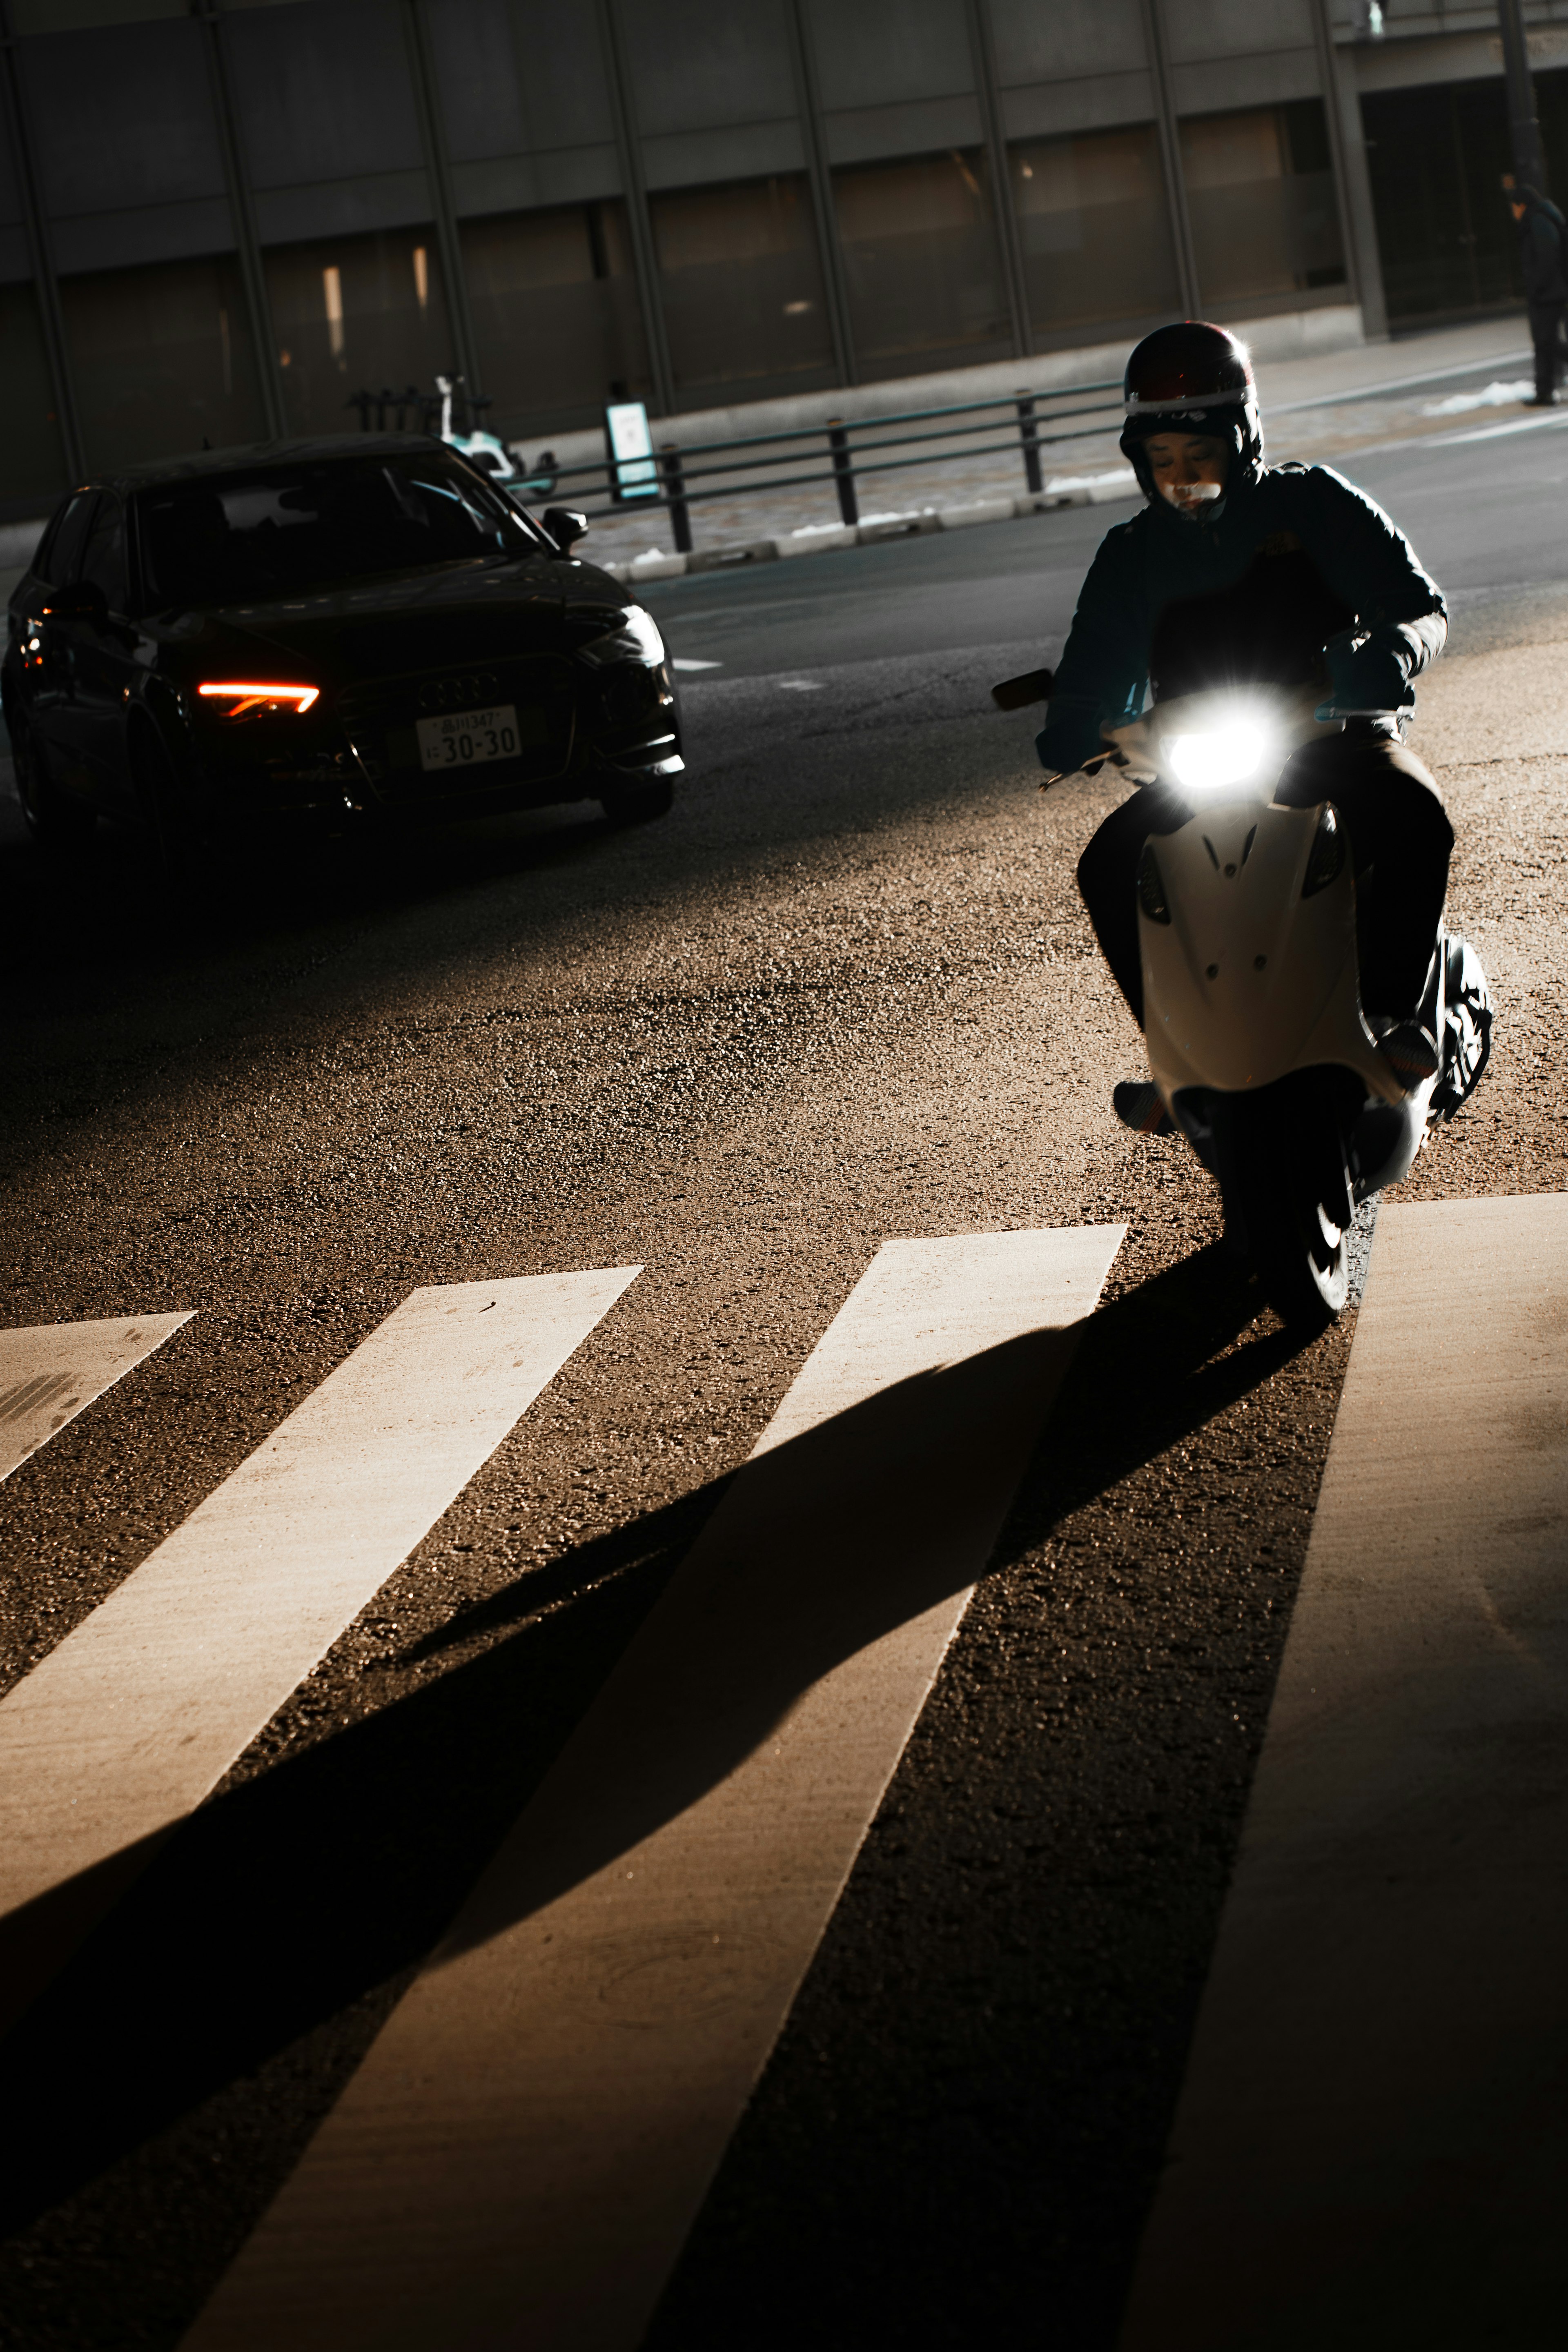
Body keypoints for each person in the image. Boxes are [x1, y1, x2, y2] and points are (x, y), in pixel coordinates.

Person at [1038, 320, 1454, 1125]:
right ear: (1139, 462)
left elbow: (1421, 608)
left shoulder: (1315, 503)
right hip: (1200, 766)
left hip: (1333, 740)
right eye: (1161, 462)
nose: (1182, 478)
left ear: (1242, 441)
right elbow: (1093, 667)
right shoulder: (1130, 556)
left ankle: (1393, 1019)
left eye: (1199, 457)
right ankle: (1172, 1056)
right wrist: (1076, 722)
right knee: (1106, 866)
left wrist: (1390, 654)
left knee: (1415, 816)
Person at [1505, 179, 1568, 405]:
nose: (1513, 213)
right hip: (1548, 291)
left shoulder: (1538, 220)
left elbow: (1548, 253)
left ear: (1521, 205)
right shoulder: (1539, 218)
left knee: (1546, 342)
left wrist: (1539, 285)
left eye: (1514, 207)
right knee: (1543, 342)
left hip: (1550, 292)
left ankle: (1545, 391)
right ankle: (1544, 392)